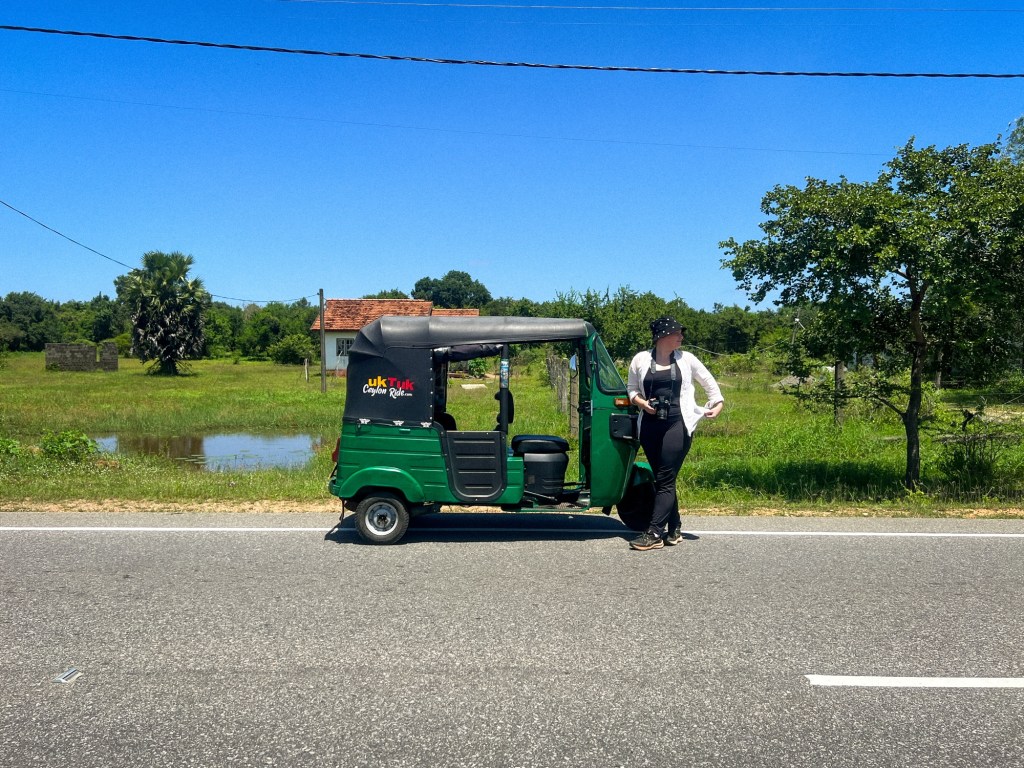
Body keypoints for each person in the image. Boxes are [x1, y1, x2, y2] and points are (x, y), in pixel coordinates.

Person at [626, 316, 724, 551]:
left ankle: (654, 533)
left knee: (666, 478)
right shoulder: (640, 359)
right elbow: (631, 389)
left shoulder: (687, 359)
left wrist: (717, 404)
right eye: (677, 333)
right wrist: (642, 403)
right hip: (649, 425)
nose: (681, 337)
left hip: (678, 424)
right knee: (662, 479)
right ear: (662, 336)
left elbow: (710, 385)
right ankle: (675, 527)